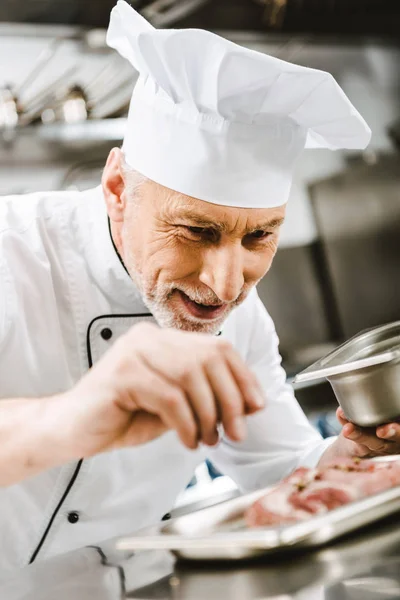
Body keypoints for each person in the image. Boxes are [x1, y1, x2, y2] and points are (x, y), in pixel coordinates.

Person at [0, 0, 397, 575]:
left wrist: (361, 456)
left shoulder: (240, 317)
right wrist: (73, 416)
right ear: (117, 187)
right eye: (196, 231)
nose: (227, 284)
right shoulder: (11, 255)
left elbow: (283, 466)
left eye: (260, 236)